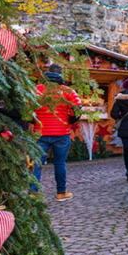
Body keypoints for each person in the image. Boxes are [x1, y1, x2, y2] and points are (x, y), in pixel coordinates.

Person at [33, 65, 81, 201]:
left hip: (40, 133)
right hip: (61, 133)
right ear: (61, 75)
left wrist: (35, 121)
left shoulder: (36, 90)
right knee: (60, 163)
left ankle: (33, 193)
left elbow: (27, 109)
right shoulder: (68, 91)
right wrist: (68, 121)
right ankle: (61, 193)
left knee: (37, 163)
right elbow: (76, 111)